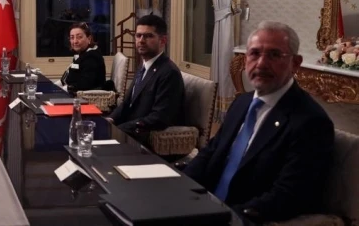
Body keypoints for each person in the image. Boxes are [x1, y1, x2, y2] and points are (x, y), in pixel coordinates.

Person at [184, 21, 334, 224]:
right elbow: (211, 151)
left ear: (295, 63)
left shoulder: (311, 122)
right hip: (204, 205)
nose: (261, 63)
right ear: (245, 59)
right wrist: (180, 185)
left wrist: (224, 217)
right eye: (254, 53)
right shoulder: (241, 102)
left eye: (274, 55)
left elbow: (288, 195)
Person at [106, 14, 185, 139]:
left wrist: (118, 130)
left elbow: (159, 117)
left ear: (163, 41)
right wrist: (110, 120)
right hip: (128, 129)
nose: (141, 41)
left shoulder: (169, 72)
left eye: (148, 36)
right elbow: (127, 104)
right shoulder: (143, 65)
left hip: (144, 138)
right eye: (138, 35)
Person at [59, 22, 107, 94]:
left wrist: (62, 89)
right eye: (72, 37)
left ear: (89, 39)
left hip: (87, 98)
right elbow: (70, 76)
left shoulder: (92, 57)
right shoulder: (81, 53)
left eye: (79, 37)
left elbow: (86, 84)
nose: (75, 41)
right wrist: (56, 85)